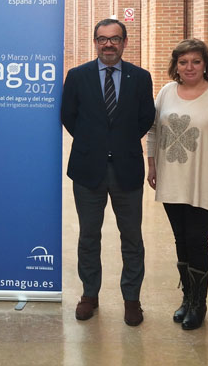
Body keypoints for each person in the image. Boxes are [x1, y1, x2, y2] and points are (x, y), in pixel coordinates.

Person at [61, 18, 156, 326]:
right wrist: (95, 143)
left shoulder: (140, 77)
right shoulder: (78, 76)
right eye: (102, 39)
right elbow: (68, 116)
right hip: (88, 169)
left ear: (124, 42)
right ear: (95, 43)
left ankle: (132, 299)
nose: (108, 44)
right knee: (89, 235)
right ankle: (89, 295)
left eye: (114, 38)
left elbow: (146, 117)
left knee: (132, 238)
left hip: (127, 168)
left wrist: (119, 143)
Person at [146, 38, 208, 330]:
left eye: (196, 61)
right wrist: (151, 165)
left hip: (205, 181)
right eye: (183, 62)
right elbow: (153, 131)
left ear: (206, 64)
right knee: (181, 239)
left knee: (197, 239)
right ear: (176, 65)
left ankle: (199, 303)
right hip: (172, 179)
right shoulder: (166, 92)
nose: (189, 67)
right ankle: (187, 298)